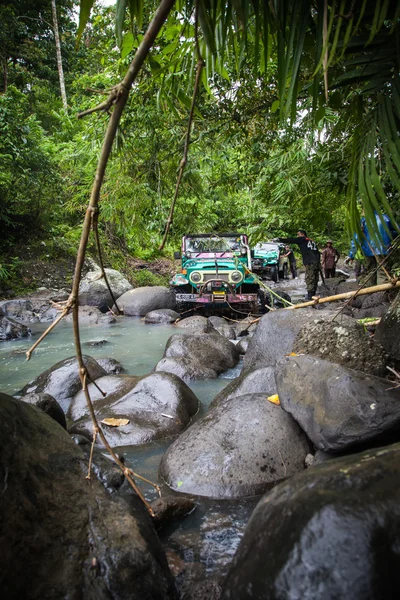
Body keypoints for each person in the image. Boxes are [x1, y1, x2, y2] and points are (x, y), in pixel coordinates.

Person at [347, 212, 398, 285]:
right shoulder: (385, 218)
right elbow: (397, 230)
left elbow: (356, 238)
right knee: (382, 272)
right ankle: (381, 292)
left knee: (371, 271)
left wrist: (351, 255)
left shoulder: (364, 221)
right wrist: (388, 237)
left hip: (368, 251)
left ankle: (371, 293)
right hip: (383, 249)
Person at [274, 230, 320, 300]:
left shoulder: (302, 239)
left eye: (298, 235)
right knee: (315, 278)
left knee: (310, 278)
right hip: (316, 261)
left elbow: (291, 240)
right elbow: (318, 252)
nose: (297, 236)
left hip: (310, 261)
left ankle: (310, 296)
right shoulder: (311, 241)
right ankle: (313, 294)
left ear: (302, 234)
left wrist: (279, 239)